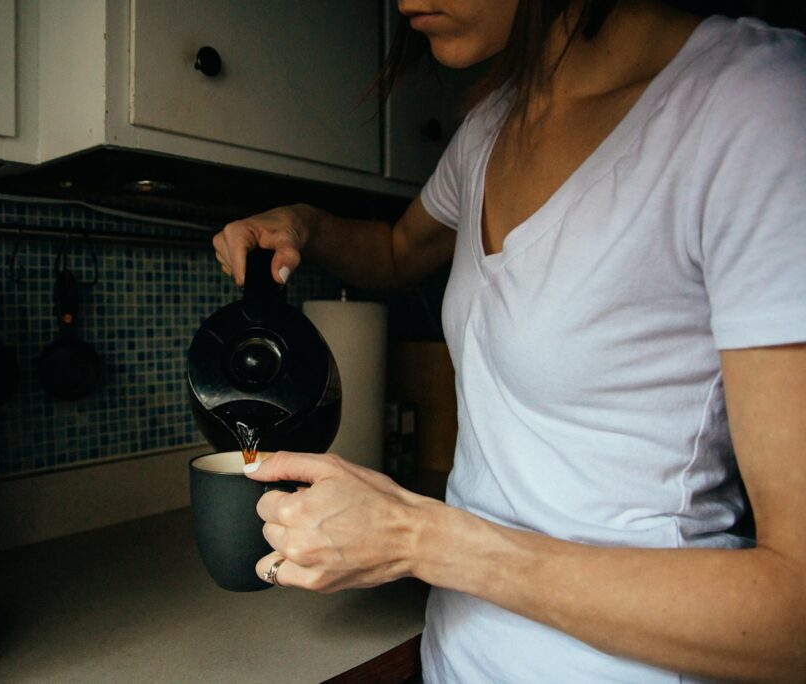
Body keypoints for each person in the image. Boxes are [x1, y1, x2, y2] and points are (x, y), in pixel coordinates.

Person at [212, 1, 806, 681]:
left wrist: (420, 538)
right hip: (455, 657)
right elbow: (397, 249)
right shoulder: (491, 128)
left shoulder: (756, 106)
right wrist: (306, 222)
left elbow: (795, 618)